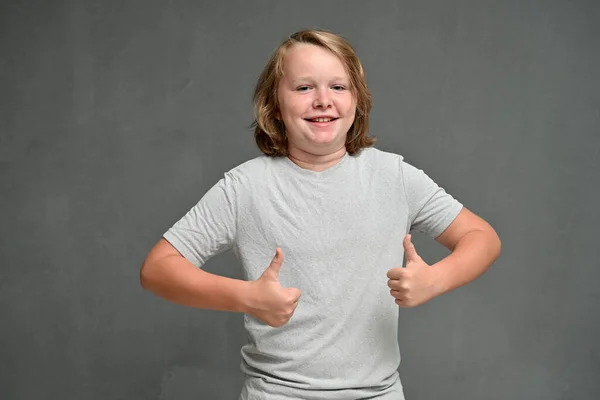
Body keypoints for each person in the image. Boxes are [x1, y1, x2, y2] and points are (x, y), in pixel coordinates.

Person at [140, 29, 501, 400]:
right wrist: (247, 297)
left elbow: (482, 238)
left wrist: (436, 280)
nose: (323, 101)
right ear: (274, 104)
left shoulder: (394, 177)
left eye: (338, 87)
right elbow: (158, 269)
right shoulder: (244, 188)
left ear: (357, 101)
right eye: (303, 88)